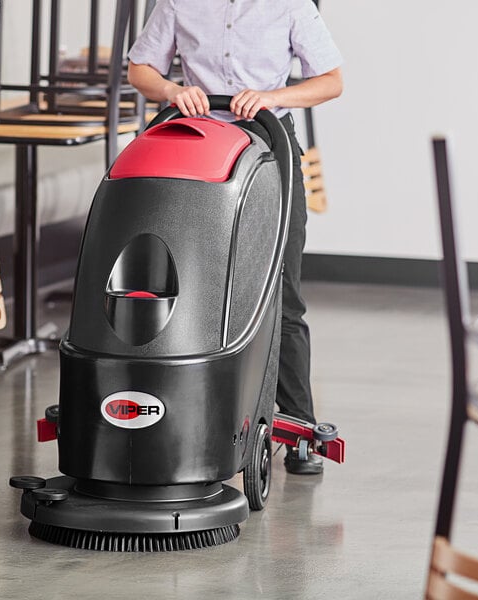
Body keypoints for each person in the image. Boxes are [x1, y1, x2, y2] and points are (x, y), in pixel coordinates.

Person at [127, 0, 343, 475]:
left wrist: (273, 96)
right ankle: (186, 412)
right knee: (192, 284)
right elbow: (139, 68)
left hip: (268, 146)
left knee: (283, 291)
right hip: (195, 151)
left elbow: (332, 81)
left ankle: (299, 426)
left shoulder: (290, 6)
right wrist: (173, 90)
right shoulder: (179, 2)